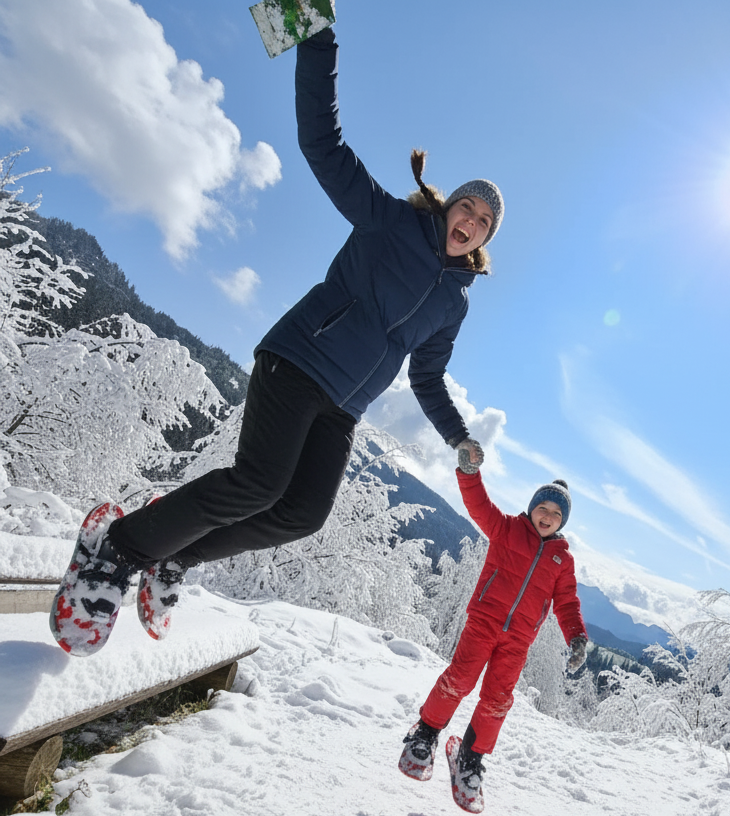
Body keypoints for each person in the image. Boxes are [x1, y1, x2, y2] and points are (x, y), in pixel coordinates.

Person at [50, 25, 501, 656]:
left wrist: (458, 436)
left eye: (483, 224)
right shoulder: (391, 222)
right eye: (467, 209)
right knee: (259, 483)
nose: (471, 224)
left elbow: (426, 378)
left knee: (301, 514)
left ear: (483, 240)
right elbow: (323, 144)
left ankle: (171, 556)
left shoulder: (454, 303)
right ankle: (116, 550)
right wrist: (318, 44)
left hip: (344, 408)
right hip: (299, 360)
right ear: (448, 205)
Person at [400, 458, 589, 813]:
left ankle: (470, 759)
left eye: (556, 514)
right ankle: (424, 734)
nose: (547, 516)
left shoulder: (562, 560)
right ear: (532, 508)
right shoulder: (507, 529)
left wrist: (576, 636)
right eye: (542, 508)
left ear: (563, 521)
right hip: (484, 622)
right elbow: (479, 506)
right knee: (459, 678)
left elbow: (567, 602)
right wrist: (469, 475)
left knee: (498, 699)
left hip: (518, 640)